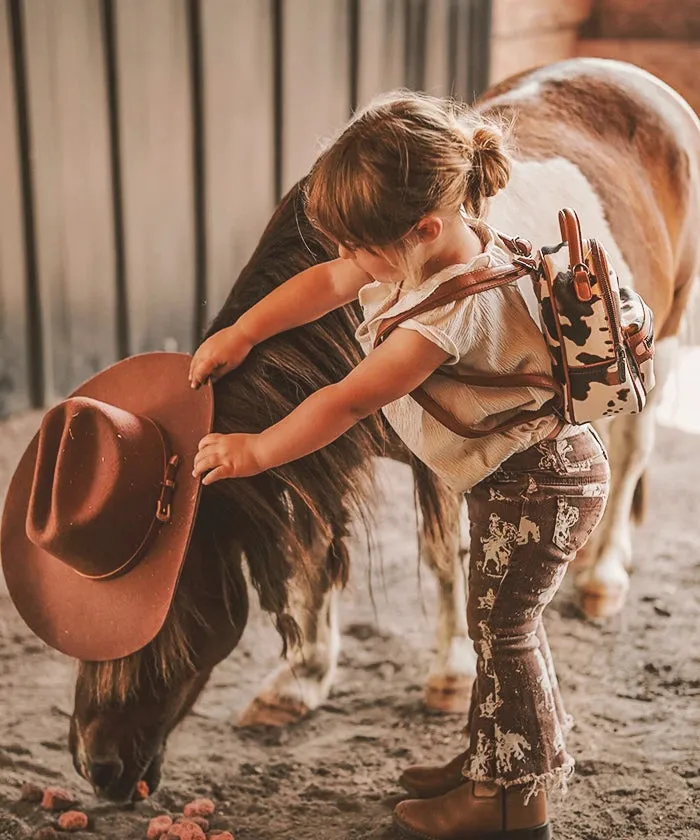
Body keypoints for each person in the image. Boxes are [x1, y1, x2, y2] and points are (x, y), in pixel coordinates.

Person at [188, 91, 610, 840]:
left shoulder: (450, 314)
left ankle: (516, 801)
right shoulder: (433, 245)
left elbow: (347, 401)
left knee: (505, 633)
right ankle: (492, 760)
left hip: (538, 487)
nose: (349, 264)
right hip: (513, 479)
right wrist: (246, 332)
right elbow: (327, 283)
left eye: (359, 249)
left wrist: (255, 450)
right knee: (494, 628)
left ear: (422, 229)